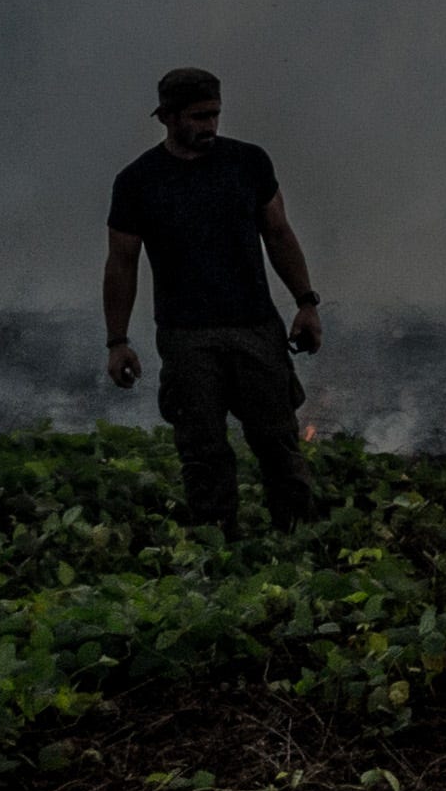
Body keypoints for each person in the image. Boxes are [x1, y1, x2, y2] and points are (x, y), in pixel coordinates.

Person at [103, 67, 325, 532]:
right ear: (167, 117)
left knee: (278, 442)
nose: (210, 126)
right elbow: (122, 262)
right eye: (198, 116)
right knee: (202, 451)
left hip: (255, 329)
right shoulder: (138, 182)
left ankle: (300, 540)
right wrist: (117, 340)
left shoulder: (248, 164)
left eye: (215, 115)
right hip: (187, 338)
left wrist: (306, 302)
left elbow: (278, 233)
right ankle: (215, 549)